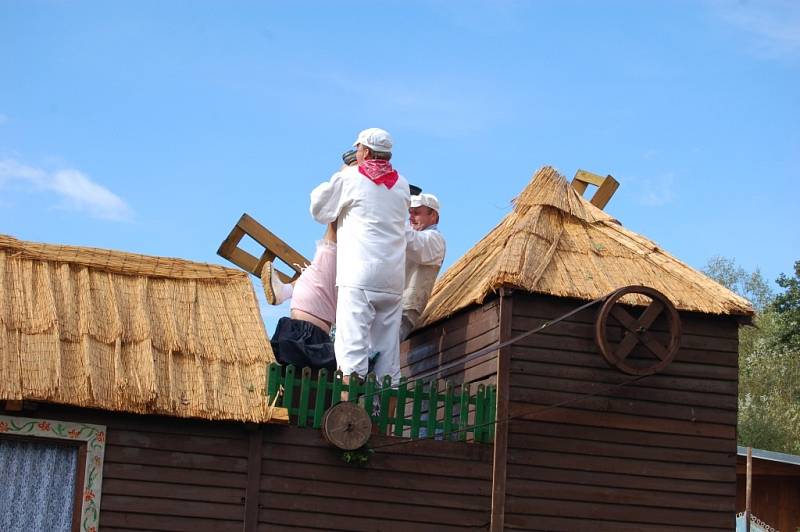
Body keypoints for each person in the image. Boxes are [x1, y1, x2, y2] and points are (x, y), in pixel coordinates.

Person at [309, 128, 410, 385]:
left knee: (351, 347)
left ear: (364, 151)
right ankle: (386, 419)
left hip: (359, 274)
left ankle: (349, 416)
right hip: (392, 278)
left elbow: (319, 209)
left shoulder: (351, 178)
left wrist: (340, 174)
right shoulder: (402, 185)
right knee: (388, 356)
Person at [401, 193, 446, 340]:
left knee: (383, 352)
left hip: (406, 308)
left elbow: (412, 242)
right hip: (394, 305)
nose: (411, 217)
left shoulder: (435, 239)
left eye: (417, 213)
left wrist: (393, 216)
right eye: (410, 213)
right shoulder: (413, 235)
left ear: (433, 215)